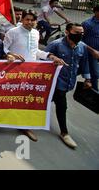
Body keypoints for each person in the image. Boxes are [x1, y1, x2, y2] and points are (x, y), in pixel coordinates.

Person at [4, 9, 65, 142]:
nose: (30, 22)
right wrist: (10, 55)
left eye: (32, 20)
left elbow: (35, 51)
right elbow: (4, 48)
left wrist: (50, 56)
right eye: (27, 19)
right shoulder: (13, 32)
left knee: (27, 98)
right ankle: (2, 118)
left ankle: (24, 125)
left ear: (36, 21)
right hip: (14, 71)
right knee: (10, 96)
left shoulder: (36, 33)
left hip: (30, 72)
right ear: (22, 20)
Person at [45, 23, 92, 148]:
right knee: (62, 105)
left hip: (69, 82)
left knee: (47, 101)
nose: (80, 35)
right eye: (77, 33)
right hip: (55, 82)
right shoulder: (56, 45)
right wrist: (52, 59)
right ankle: (64, 132)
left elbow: (84, 62)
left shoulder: (82, 47)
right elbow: (42, 58)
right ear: (67, 32)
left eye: (82, 33)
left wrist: (87, 79)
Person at [81, 5, 99, 91]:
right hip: (91, 53)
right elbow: (78, 41)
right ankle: (94, 92)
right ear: (96, 12)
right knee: (95, 74)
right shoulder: (87, 24)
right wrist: (92, 51)